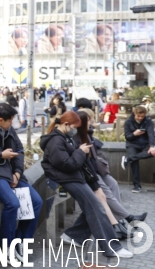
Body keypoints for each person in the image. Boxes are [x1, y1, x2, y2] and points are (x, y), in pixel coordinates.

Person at [40, 111, 133, 259]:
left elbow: (79, 164)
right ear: (66, 125)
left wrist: (95, 185)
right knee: (97, 208)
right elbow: (67, 164)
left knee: (94, 208)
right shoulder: (56, 141)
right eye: (74, 127)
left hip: (75, 178)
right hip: (68, 179)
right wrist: (80, 151)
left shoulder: (64, 138)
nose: (75, 130)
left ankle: (76, 236)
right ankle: (111, 247)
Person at [0, 103, 43, 263]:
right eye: (10, 121)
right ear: (0, 120)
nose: (12, 124)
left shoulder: (8, 128)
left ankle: (21, 242)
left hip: (10, 172)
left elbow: (19, 151)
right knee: (12, 203)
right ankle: (6, 248)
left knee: (37, 201)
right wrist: (0, 155)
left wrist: (17, 173)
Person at [76, 108, 147, 230]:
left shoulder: (87, 133)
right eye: (89, 120)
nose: (92, 122)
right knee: (105, 194)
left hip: (94, 169)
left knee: (113, 184)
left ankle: (119, 220)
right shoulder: (78, 136)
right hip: (89, 173)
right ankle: (127, 218)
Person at [122, 105, 155, 193]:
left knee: (152, 152)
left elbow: (151, 134)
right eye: (138, 116)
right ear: (134, 114)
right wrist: (134, 134)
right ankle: (136, 186)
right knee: (134, 161)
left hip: (145, 144)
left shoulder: (148, 121)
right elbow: (127, 137)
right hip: (132, 144)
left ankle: (128, 158)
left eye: (142, 116)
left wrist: (152, 146)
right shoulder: (128, 122)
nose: (140, 118)